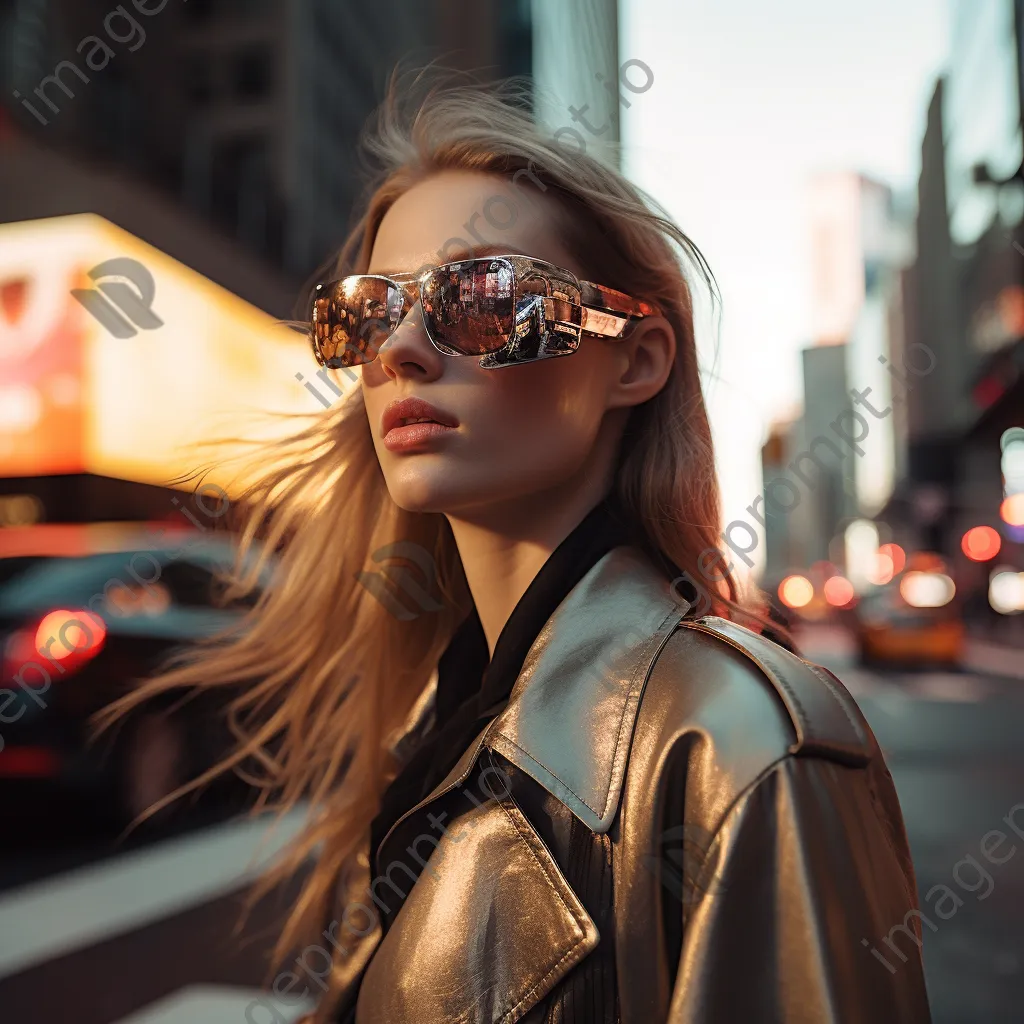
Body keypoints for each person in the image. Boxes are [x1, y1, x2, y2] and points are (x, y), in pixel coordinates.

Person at [98, 70, 932, 1023]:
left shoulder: (741, 740)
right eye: (367, 311)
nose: (402, 350)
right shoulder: (442, 713)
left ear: (635, 358)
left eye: (480, 295)